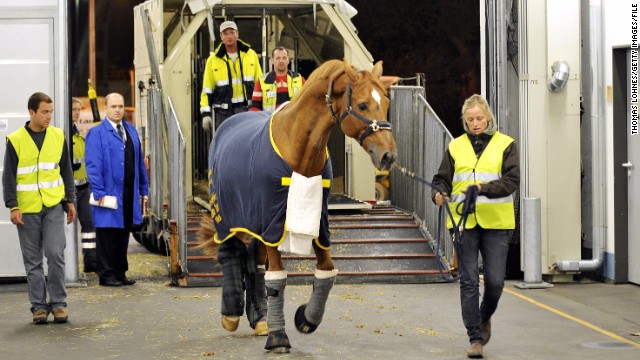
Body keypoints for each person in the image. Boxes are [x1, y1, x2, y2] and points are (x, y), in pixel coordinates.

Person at [431, 94, 519, 359]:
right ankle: (475, 339)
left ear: (488, 117)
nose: (475, 123)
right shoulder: (455, 146)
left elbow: (511, 180)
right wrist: (438, 193)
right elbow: (441, 179)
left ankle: (484, 317)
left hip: (496, 222)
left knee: (494, 283)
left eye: (479, 118)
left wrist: (482, 188)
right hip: (463, 222)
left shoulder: (506, 145)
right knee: (468, 282)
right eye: (470, 120)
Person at [2, 92, 76, 324]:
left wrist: (70, 200)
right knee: (32, 261)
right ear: (31, 112)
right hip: (27, 209)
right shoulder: (16, 140)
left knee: (55, 254)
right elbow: (9, 178)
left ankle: (59, 304)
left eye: (51, 111)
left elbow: (66, 171)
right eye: (45, 112)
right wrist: (13, 206)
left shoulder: (57, 136)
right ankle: (38, 306)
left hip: (54, 205)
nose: (49, 116)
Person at [85, 93, 148, 287]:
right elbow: (92, 165)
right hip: (108, 193)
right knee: (107, 233)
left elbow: (139, 163)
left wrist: (144, 189)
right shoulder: (97, 133)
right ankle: (106, 274)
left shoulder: (131, 131)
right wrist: (99, 191)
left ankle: (120, 272)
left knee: (123, 232)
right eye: (114, 106)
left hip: (128, 192)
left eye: (121, 106)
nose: (118, 110)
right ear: (106, 109)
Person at [200, 20, 262, 131]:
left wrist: (260, 107)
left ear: (237, 34)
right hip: (223, 113)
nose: (229, 36)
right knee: (224, 144)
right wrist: (206, 113)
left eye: (232, 32)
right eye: (225, 33)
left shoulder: (250, 55)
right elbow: (207, 90)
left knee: (245, 142)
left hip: (247, 110)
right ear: (221, 36)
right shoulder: (213, 60)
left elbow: (260, 83)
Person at [71, 97, 97, 273]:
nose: (77, 112)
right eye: (74, 109)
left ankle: (91, 264)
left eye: (79, 109)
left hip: (83, 188)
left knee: (89, 227)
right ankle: (69, 268)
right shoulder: (65, 133)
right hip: (69, 191)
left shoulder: (76, 133)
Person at [250, 46, 305, 112]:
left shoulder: (300, 80)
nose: (281, 61)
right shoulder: (262, 82)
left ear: (288, 60)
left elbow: (309, 102)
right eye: (278, 58)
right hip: (271, 121)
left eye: (284, 58)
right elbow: (254, 108)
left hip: (294, 121)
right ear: (272, 60)